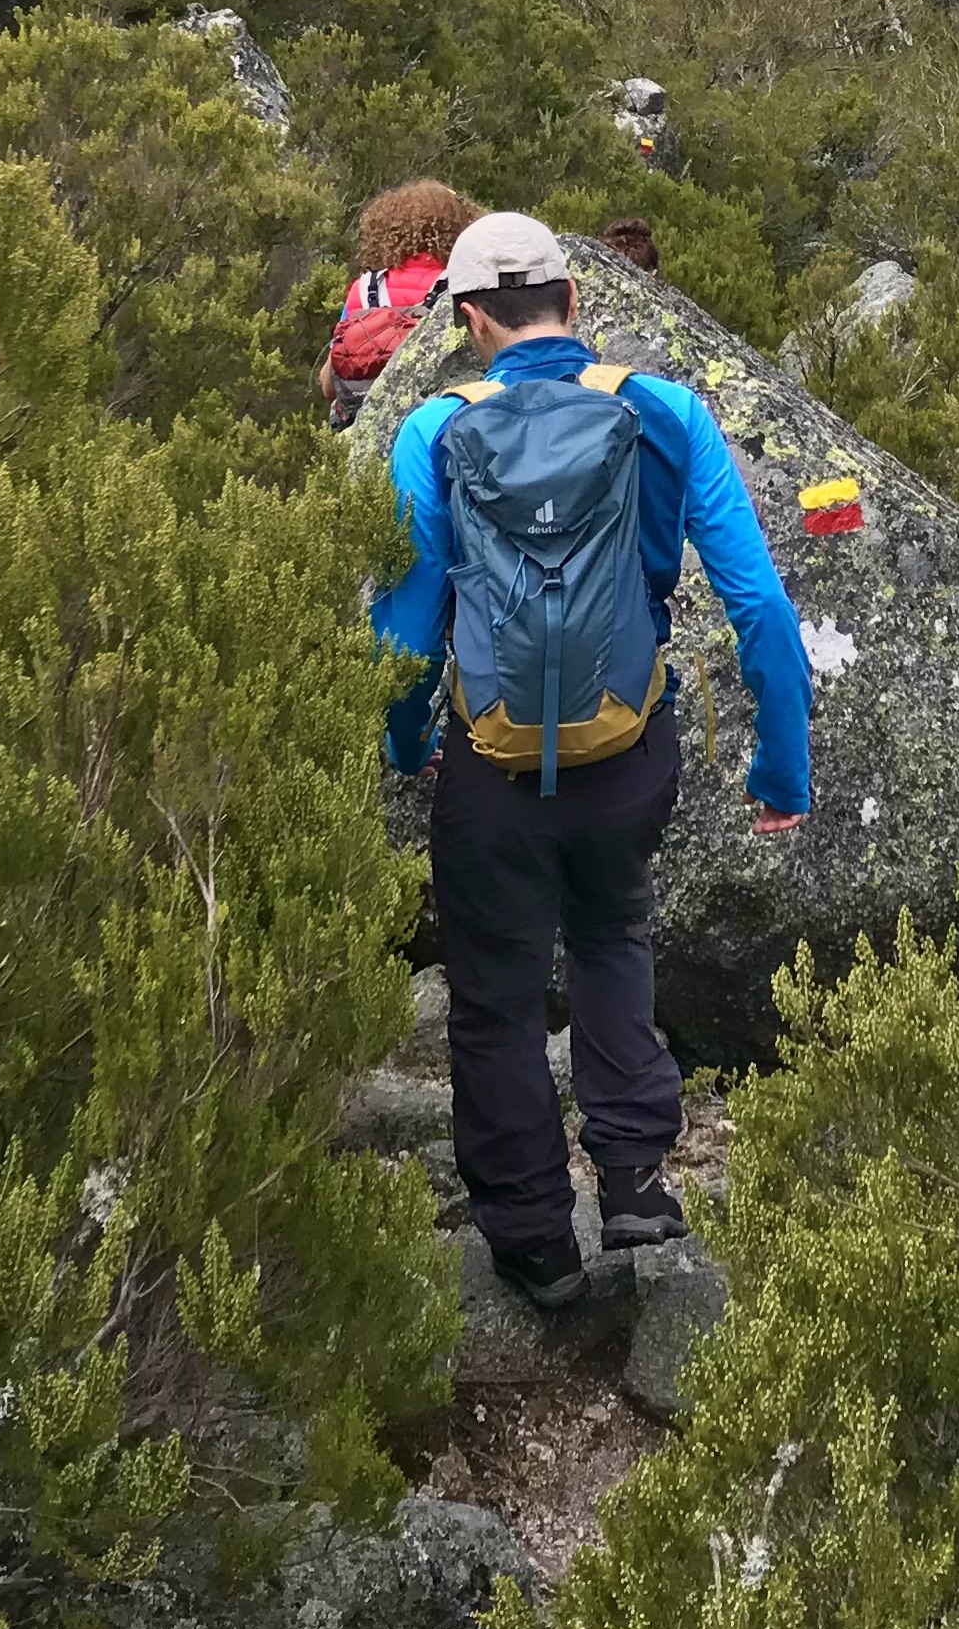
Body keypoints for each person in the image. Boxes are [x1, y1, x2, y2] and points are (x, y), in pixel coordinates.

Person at [374, 210, 815, 1307]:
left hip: (492, 767)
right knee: (617, 935)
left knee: (494, 1000)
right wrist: (780, 775)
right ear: (575, 303)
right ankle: (632, 1185)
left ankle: (531, 1241)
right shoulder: (661, 410)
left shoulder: (433, 431)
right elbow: (758, 603)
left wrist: (405, 738)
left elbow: (407, 628)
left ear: (471, 320)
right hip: (629, 749)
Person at [320, 180, 480, 427]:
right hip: (438, 427)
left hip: (363, 432)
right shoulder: (462, 287)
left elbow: (329, 385)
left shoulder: (364, 288)